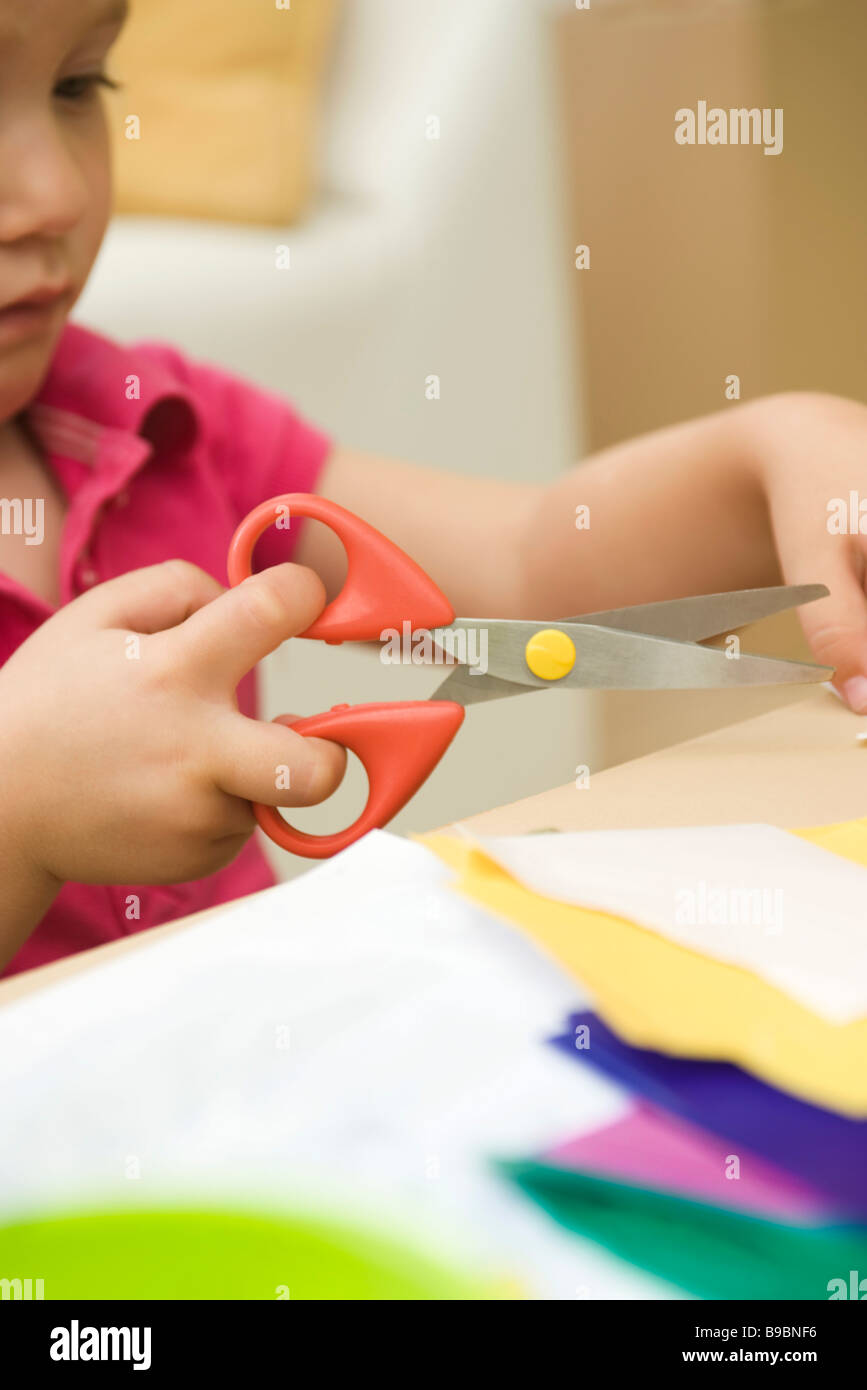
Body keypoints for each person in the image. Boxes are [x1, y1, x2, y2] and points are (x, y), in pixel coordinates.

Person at [2, 0, 865, 972]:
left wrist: (772, 451)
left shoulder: (165, 421)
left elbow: (531, 566)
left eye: (79, 84)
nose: (53, 191)